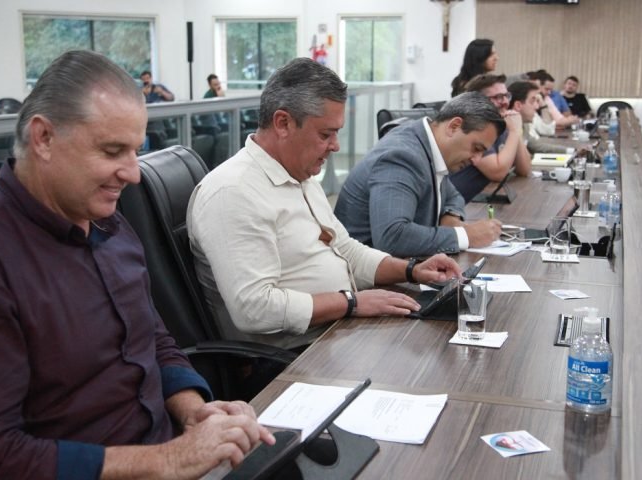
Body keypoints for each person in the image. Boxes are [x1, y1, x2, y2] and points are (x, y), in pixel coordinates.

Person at [0, 50, 273, 480]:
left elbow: (153, 339)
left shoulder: (111, 227)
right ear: (43, 138)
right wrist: (167, 461)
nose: (133, 173)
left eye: (135, 151)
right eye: (113, 151)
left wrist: (194, 411)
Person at [187, 58, 462, 350]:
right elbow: (255, 309)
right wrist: (351, 303)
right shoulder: (234, 192)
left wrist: (412, 270)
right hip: (295, 355)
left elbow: (346, 251)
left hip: (334, 331)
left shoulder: (298, 175)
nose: (336, 146)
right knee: (431, 352)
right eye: (325, 134)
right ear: (283, 123)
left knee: (440, 339)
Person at [334, 92, 504, 257]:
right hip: (360, 272)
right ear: (454, 126)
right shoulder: (403, 157)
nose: (476, 159)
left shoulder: (429, 144)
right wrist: (466, 235)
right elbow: (393, 236)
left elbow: (453, 195)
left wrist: (451, 217)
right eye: (476, 148)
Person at [447, 73, 531, 203]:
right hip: (457, 204)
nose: (505, 102)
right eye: (498, 97)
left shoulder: (500, 123)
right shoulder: (473, 126)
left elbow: (524, 169)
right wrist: (514, 132)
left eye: (506, 96)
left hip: (479, 198)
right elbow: (497, 173)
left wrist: (515, 131)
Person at [507, 81, 570, 154]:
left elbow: (537, 146)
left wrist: (571, 151)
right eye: (532, 101)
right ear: (518, 105)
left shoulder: (525, 125)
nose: (537, 107)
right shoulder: (505, 129)